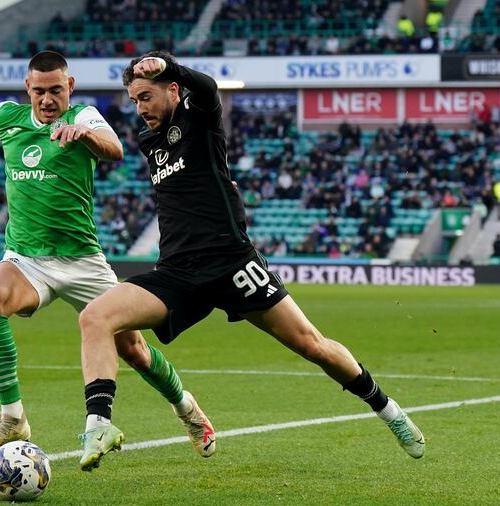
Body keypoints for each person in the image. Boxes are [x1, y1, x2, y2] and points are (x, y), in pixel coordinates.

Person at [76, 51, 426, 470]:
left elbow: (205, 89)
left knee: (311, 345)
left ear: (171, 90)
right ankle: (102, 424)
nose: (140, 108)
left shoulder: (197, 116)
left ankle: (389, 411)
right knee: (96, 318)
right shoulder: (147, 141)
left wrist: (169, 64)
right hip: (178, 273)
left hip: (233, 263)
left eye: (147, 96)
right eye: (134, 100)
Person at [0, 51, 215, 461]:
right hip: (27, 259)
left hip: (83, 261)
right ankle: (12, 418)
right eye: (39, 91)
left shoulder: (85, 116)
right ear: (28, 90)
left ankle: (187, 408)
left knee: (134, 350)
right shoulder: (9, 117)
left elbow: (114, 149)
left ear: (69, 87)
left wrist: (83, 134)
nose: (47, 99)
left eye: (56, 90)